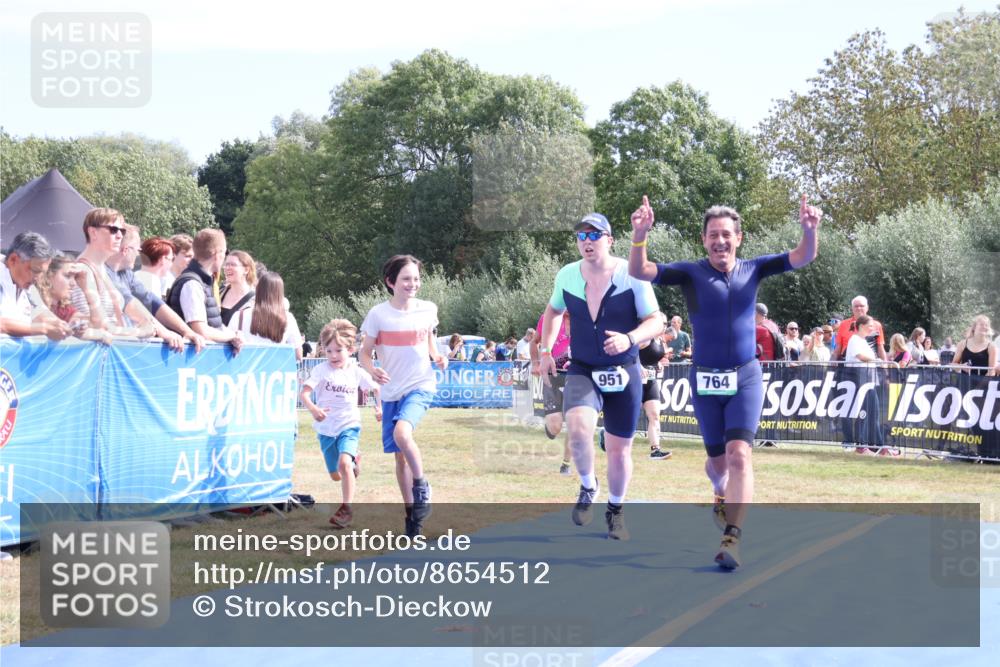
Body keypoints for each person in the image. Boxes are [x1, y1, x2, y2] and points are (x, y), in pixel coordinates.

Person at [630, 194, 822, 569]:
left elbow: (801, 256)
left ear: (739, 237)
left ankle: (732, 537)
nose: (720, 241)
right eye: (713, 235)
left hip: (746, 376)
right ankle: (720, 493)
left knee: (740, 455)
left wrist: (809, 231)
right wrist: (640, 235)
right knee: (717, 463)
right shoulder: (690, 273)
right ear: (704, 240)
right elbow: (640, 270)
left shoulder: (755, 269)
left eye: (726, 234)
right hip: (704, 378)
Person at [539, 211, 663, 542]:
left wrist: (631, 338)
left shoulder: (632, 274)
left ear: (609, 239)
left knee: (619, 449)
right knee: (578, 431)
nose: (587, 241)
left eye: (594, 235)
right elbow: (552, 311)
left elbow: (656, 320)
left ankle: (616, 510)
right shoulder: (566, 275)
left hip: (624, 368)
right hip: (583, 368)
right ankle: (588, 484)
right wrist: (546, 350)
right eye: (581, 236)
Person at [360, 255, 447, 537]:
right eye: (406, 279)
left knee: (402, 434)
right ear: (391, 282)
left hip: (420, 384)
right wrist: (372, 369)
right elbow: (364, 353)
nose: (413, 284)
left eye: (416, 279)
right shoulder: (378, 315)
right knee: (399, 458)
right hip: (391, 390)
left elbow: (429, 341)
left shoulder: (427, 309)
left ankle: (422, 487)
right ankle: (413, 519)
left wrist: (438, 357)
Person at [300, 319, 381, 529]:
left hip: (349, 425)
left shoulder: (355, 371)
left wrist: (379, 408)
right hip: (326, 430)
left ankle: (346, 509)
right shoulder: (320, 370)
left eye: (338, 350)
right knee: (336, 475)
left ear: (350, 349)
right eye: (329, 351)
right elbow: (305, 393)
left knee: (344, 465)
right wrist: (313, 408)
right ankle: (355, 460)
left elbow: (376, 389)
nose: (333, 356)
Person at [106, 224, 203, 352]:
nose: (138, 255)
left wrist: (187, 331)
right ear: (126, 250)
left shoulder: (126, 273)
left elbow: (152, 301)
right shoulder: (105, 272)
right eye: (137, 250)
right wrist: (164, 332)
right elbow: (130, 304)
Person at [69, 209, 157, 341]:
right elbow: (98, 328)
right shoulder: (82, 271)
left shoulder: (101, 269)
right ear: (93, 232)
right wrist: (141, 331)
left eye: (122, 231)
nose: (119, 236)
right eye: (113, 230)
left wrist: (148, 326)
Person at [166, 228, 243, 352]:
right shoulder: (192, 284)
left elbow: (214, 324)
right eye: (224, 252)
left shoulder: (202, 282)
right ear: (217, 254)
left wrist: (234, 335)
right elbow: (201, 331)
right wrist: (232, 336)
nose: (224, 258)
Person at [0, 232, 72, 340]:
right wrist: (43, 328)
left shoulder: (29, 288)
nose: (38, 278)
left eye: (42, 272)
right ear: (13, 260)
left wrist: (66, 327)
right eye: (35, 271)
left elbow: (44, 317)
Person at [845, 315, 899, 456]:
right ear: (862, 326)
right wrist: (878, 360)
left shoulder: (863, 340)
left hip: (869, 380)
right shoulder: (855, 339)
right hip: (860, 380)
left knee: (873, 414)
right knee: (864, 412)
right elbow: (860, 356)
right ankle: (861, 446)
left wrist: (877, 360)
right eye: (870, 326)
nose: (873, 328)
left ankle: (879, 446)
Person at [530, 310, 572, 474]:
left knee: (574, 421)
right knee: (555, 426)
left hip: (577, 376)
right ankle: (551, 428)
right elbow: (534, 342)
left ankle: (566, 464)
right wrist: (535, 363)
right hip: (552, 375)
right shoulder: (549, 318)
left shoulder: (585, 316)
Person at [228, 272, 299, 347]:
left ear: (258, 290)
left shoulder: (239, 316)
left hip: (246, 358)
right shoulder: (288, 318)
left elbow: (226, 345)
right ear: (280, 293)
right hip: (275, 358)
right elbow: (298, 354)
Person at [640, 312, 674, 461]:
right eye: (662, 323)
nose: (664, 326)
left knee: (654, 415)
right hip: (635, 379)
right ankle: (606, 433)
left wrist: (658, 364)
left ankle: (655, 450)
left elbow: (653, 357)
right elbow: (630, 351)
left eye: (666, 324)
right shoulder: (646, 337)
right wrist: (639, 367)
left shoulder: (660, 340)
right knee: (627, 415)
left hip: (651, 381)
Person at [834, 296, 887, 362]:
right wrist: (830, 366)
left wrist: (885, 366)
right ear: (852, 308)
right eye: (856, 306)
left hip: (870, 365)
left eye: (862, 306)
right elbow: (838, 348)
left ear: (867, 308)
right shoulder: (843, 324)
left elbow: (880, 348)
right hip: (850, 365)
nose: (859, 308)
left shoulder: (876, 325)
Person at [220, 250, 257, 327]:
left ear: (246, 270)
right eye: (226, 264)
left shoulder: (255, 300)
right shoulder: (220, 292)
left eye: (233, 265)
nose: (227, 268)